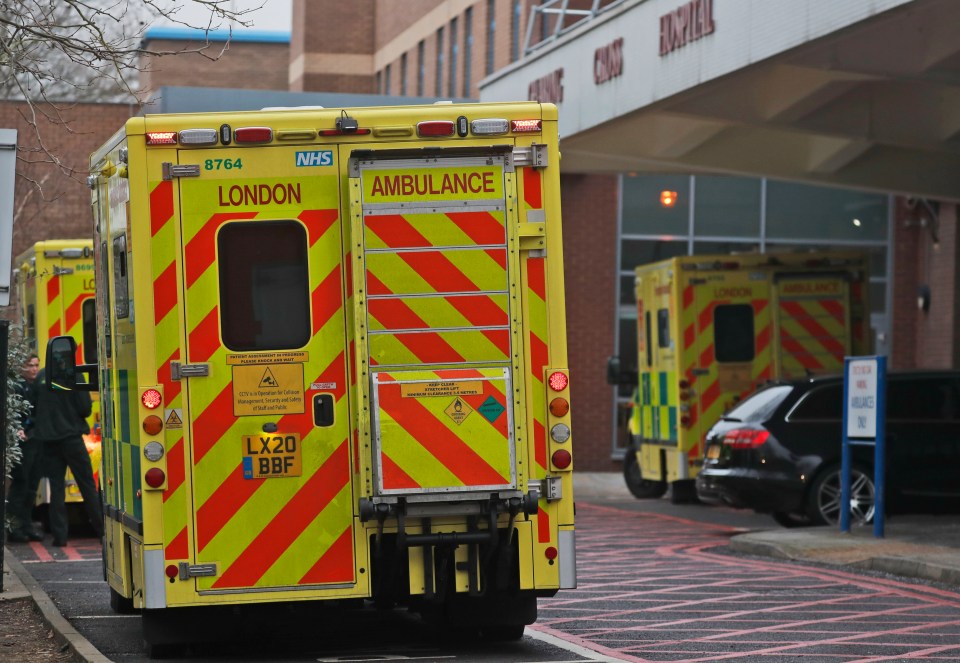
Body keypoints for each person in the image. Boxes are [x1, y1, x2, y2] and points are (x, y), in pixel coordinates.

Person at [32, 367, 103, 547]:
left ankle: (60, 536)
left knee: (56, 489)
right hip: (72, 439)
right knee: (87, 486)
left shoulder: (41, 376)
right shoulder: (74, 374)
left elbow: (33, 408)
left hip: (49, 441)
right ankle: (102, 531)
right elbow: (86, 408)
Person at [6, 354, 43, 542]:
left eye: (36, 365)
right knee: (21, 485)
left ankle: (26, 525)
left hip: (34, 440)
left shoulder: (35, 386)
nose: (34, 369)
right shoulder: (17, 387)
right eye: (30, 365)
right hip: (22, 443)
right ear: (22, 367)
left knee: (31, 487)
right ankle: (14, 527)